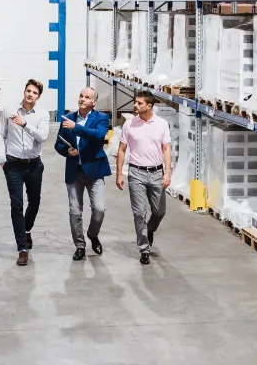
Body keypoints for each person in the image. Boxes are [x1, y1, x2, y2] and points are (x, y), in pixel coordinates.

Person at [0, 78, 50, 265]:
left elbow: (43, 136)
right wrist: (2, 160)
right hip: (13, 165)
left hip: (34, 164)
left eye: (34, 93)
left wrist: (25, 124)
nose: (30, 94)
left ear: (38, 96)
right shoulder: (9, 110)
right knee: (16, 205)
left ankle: (26, 230)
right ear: (24, 91)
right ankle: (22, 248)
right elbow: (0, 136)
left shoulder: (42, 114)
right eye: (28, 91)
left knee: (34, 201)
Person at [115, 91, 172, 265]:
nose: (135, 106)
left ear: (149, 106)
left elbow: (166, 149)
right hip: (136, 173)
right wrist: (119, 174)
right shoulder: (129, 125)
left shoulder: (161, 124)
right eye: (136, 103)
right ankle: (144, 248)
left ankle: (150, 230)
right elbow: (122, 149)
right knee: (139, 212)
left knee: (159, 212)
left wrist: (167, 172)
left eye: (139, 103)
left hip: (156, 173)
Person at [54, 86, 111, 261]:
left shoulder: (101, 118)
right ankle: (80, 245)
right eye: (81, 96)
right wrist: (66, 151)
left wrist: (76, 128)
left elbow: (99, 135)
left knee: (99, 209)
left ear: (94, 102)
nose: (82, 99)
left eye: (87, 97)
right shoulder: (68, 118)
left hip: (94, 171)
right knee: (75, 212)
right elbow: (58, 144)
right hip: (74, 171)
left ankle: (93, 234)